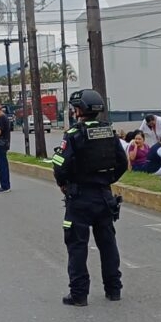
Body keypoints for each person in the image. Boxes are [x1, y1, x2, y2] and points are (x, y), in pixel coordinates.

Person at [50, 89, 127, 305]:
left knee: (77, 246)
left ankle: (79, 294)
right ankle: (114, 290)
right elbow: (122, 163)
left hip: (80, 197)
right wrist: (106, 181)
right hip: (104, 196)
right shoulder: (108, 132)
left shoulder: (74, 134)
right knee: (108, 244)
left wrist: (63, 184)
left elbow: (60, 164)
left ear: (79, 111)